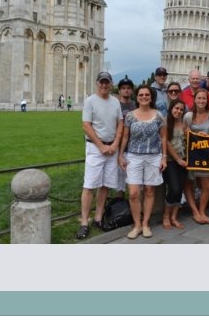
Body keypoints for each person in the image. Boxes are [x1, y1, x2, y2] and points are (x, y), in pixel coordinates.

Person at [76, 72, 124, 240]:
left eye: (107, 82)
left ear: (111, 84)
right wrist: (101, 146)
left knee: (105, 184)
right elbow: (86, 126)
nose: (104, 85)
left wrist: (115, 144)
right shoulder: (90, 101)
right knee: (89, 185)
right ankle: (84, 221)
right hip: (96, 147)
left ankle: (98, 217)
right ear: (97, 83)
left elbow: (120, 124)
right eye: (101, 82)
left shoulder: (115, 102)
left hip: (111, 146)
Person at [118, 85, 168, 239]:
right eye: (141, 94)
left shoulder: (159, 115)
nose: (144, 97)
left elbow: (163, 137)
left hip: (153, 156)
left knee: (149, 191)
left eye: (147, 94)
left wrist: (164, 157)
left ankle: (145, 223)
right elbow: (125, 137)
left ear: (151, 97)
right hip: (134, 156)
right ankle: (137, 225)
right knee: (133, 193)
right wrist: (120, 154)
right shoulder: (130, 116)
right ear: (137, 97)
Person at [183, 88, 209, 225]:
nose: (201, 101)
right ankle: (195, 211)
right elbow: (185, 133)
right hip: (191, 154)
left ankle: (202, 211)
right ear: (194, 100)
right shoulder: (188, 116)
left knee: (207, 185)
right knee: (189, 183)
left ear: (207, 101)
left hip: (206, 155)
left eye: (204, 98)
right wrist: (196, 136)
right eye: (199, 98)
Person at [161, 98, 189, 230]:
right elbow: (166, 142)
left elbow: (189, 139)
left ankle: (174, 217)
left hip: (184, 160)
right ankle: (166, 216)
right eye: (176, 108)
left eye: (181, 109)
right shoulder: (165, 122)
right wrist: (177, 159)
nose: (178, 111)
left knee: (180, 188)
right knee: (174, 188)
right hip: (171, 161)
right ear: (171, 108)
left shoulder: (183, 123)